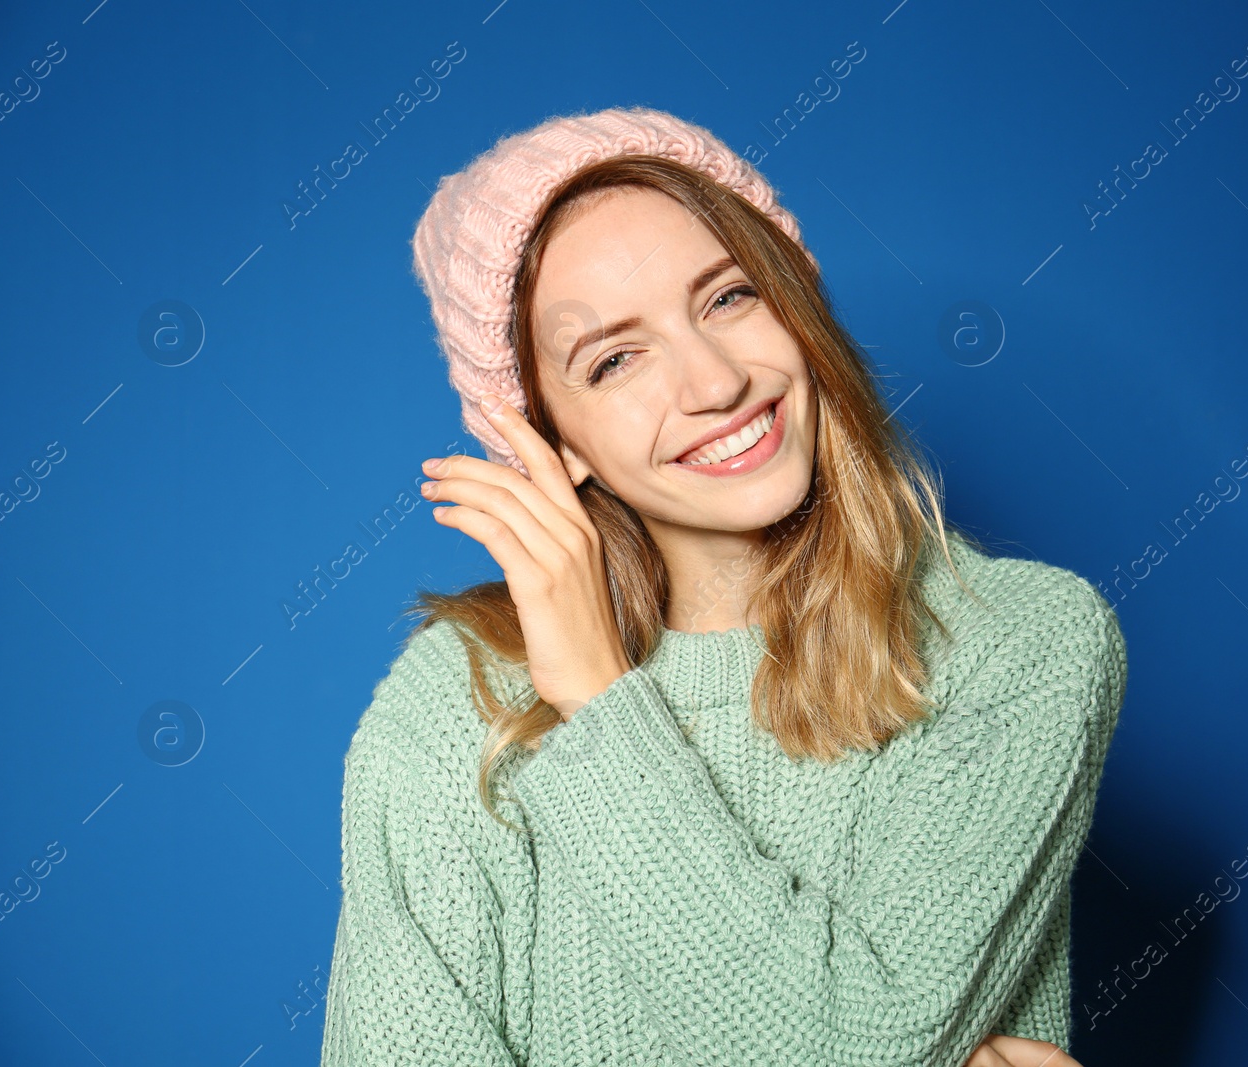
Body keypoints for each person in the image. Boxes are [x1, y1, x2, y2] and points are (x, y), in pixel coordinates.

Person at [319, 106, 1125, 1067]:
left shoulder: (1020, 644)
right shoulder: (460, 703)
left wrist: (599, 703)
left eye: (728, 298)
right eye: (615, 359)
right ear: (547, 438)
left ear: (797, 298)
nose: (712, 382)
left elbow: (844, 1045)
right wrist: (588, 687)